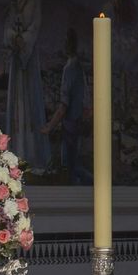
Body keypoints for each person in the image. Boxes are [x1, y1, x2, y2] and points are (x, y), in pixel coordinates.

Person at [2, 0, 46, 169]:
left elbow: (35, 25)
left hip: (28, 60)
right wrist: (13, 37)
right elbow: (7, 28)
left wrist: (24, 39)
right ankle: (16, 154)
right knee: (17, 106)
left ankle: (31, 154)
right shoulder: (13, 5)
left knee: (29, 104)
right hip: (16, 61)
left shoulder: (34, 1)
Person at [43, 26, 91, 182]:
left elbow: (64, 104)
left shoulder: (69, 69)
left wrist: (49, 126)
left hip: (70, 124)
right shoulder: (78, 68)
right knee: (73, 164)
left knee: (70, 166)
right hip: (76, 122)